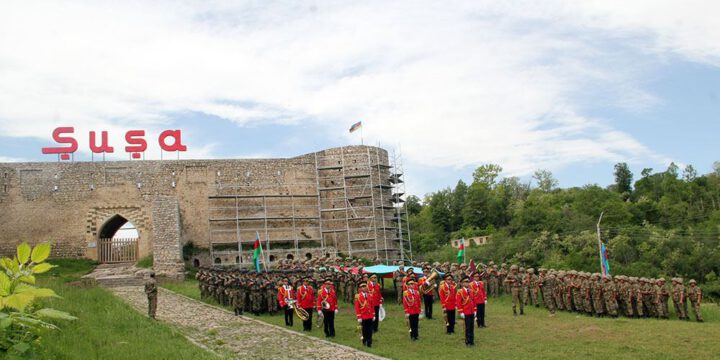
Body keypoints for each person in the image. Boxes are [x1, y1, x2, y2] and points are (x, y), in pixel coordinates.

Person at [456, 276, 476, 347]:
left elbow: (473, 301)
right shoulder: (460, 292)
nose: (467, 283)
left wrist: (475, 310)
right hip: (466, 311)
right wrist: (461, 312)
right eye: (466, 282)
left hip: (471, 311)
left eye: (468, 282)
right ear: (462, 283)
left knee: (472, 326)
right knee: (467, 327)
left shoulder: (471, 291)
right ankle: (467, 341)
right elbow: (458, 302)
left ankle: (472, 340)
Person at [355, 282, 375, 348]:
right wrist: (359, 317)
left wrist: (373, 315)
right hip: (363, 316)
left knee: (370, 330)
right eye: (363, 287)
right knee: (364, 330)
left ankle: (369, 342)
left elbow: (372, 306)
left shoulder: (370, 295)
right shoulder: (358, 296)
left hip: (369, 315)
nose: (364, 288)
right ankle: (364, 340)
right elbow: (357, 307)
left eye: (365, 286)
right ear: (360, 288)